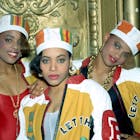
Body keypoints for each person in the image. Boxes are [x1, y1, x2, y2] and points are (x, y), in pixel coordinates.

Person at [17, 27, 120, 140]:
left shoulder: (92, 92)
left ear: (70, 61)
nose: (53, 68)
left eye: (60, 60)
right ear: (39, 64)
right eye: (46, 60)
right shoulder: (29, 103)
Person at [80, 20, 140, 139]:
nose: (117, 55)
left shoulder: (134, 79)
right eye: (117, 45)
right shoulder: (72, 71)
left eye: (125, 54)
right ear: (106, 38)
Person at [0, 14, 46, 140]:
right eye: (8, 40)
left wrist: (45, 84)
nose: (15, 47)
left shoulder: (30, 72)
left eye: (20, 42)